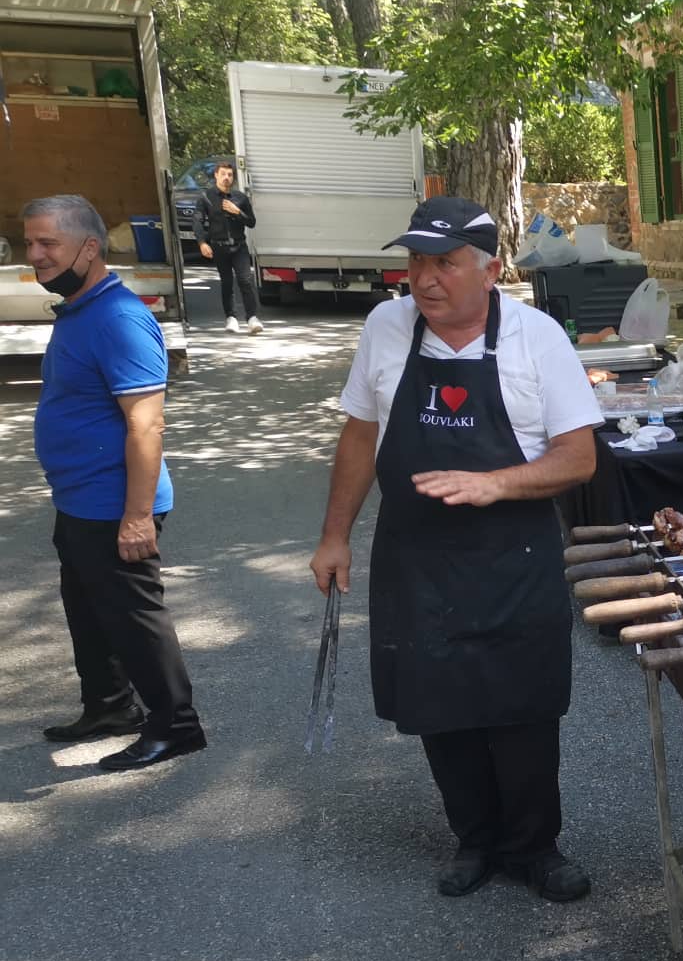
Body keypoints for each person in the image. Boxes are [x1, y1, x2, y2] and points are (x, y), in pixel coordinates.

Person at [309, 196, 602, 901]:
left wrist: (495, 482)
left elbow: (579, 458)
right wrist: (335, 535)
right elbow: (360, 434)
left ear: (490, 270)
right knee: (440, 707)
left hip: (514, 559)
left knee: (522, 710)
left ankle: (535, 847)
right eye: (415, 261)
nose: (425, 278)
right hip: (419, 560)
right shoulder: (386, 327)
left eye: (444, 262)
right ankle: (475, 839)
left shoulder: (536, 339)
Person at [25, 194, 206, 771]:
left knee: (133, 618)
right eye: (30, 244)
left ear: (89, 248)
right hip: (80, 500)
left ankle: (176, 725)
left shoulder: (120, 318)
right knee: (87, 609)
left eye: (47, 244)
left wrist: (135, 516)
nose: (36, 256)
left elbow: (146, 424)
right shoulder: (81, 310)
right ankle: (108, 707)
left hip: (115, 505)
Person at [198, 160, 262, 334]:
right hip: (219, 247)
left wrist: (237, 211)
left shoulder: (240, 198)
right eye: (223, 174)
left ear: (233, 178)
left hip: (239, 246)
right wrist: (202, 242)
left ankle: (252, 318)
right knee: (226, 283)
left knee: (246, 281)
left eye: (230, 175)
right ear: (216, 176)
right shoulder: (206, 197)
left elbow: (251, 222)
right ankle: (231, 318)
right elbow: (198, 222)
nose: (227, 178)